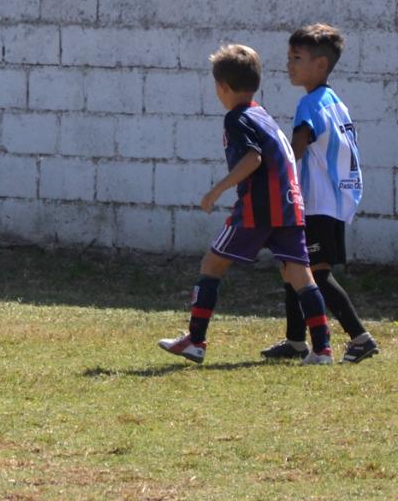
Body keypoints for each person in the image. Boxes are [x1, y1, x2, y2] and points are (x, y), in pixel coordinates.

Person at [158, 44, 333, 365]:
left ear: (222, 87)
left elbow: (253, 158)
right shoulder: (262, 114)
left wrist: (216, 191)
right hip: (290, 206)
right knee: (301, 278)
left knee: (211, 265)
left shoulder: (236, 118)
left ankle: (195, 341)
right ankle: (322, 350)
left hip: (258, 210)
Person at [262, 24, 378, 363]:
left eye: (297, 58)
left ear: (321, 64)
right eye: (289, 58)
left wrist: (267, 164)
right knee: (292, 266)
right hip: (334, 202)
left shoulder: (310, 103)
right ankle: (296, 341)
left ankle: (360, 337)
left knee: (317, 273)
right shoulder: (335, 102)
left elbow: (295, 149)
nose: (290, 65)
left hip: (317, 204)